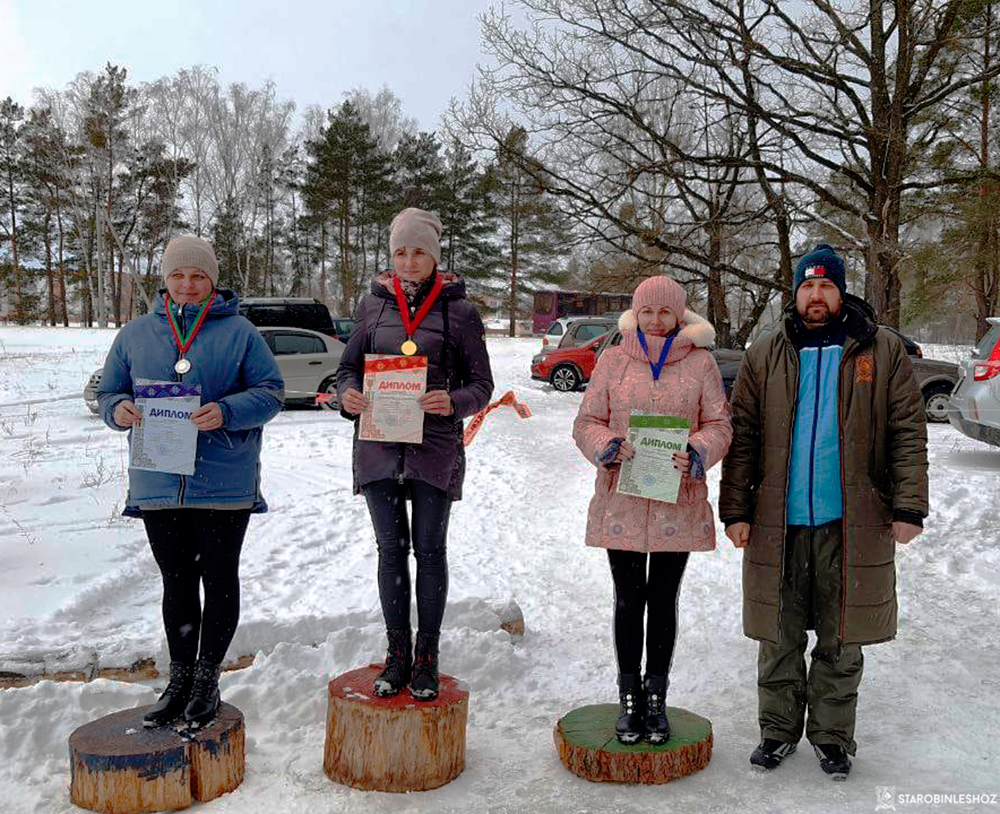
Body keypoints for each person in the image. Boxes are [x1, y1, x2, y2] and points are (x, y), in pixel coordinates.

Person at [719, 244, 928, 779]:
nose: (817, 296)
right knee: (778, 631)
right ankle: (777, 730)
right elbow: (743, 438)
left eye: (827, 286)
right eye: (808, 286)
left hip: (850, 522)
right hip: (778, 522)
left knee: (842, 635)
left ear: (842, 292)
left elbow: (907, 432)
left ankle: (833, 736)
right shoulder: (766, 352)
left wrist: (908, 505)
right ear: (795, 293)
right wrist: (736, 510)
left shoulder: (879, 351)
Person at [97, 235, 284, 728]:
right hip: (158, 481)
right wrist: (117, 409)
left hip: (223, 483)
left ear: (212, 281)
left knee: (219, 581)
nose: (187, 284)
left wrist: (226, 411)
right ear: (165, 278)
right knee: (177, 583)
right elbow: (108, 390)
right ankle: (179, 679)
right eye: (178, 275)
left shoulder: (241, 332)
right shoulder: (135, 333)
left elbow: (271, 393)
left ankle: (207, 678)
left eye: (197, 276)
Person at [337, 207, 494, 701]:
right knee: (390, 552)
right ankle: (397, 652)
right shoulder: (372, 307)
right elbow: (346, 372)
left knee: (429, 551)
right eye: (400, 251)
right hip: (380, 447)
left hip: (433, 449)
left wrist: (455, 400)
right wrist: (348, 397)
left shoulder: (460, 312)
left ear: (435, 255)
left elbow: (482, 385)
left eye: (419, 251)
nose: (409, 261)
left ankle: (427, 655)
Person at [572, 275, 732, 744]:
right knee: (627, 598)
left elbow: (720, 423)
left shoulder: (700, 362)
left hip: (675, 502)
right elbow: (587, 420)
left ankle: (656, 694)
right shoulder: (614, 359)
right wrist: (606, 445)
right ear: (635, 314)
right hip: (621, 497)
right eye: (648, 311)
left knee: (662, 599)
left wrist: (698, 450)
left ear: (680, 315)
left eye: (666, 312)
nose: (656, 321)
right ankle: (629, 696)